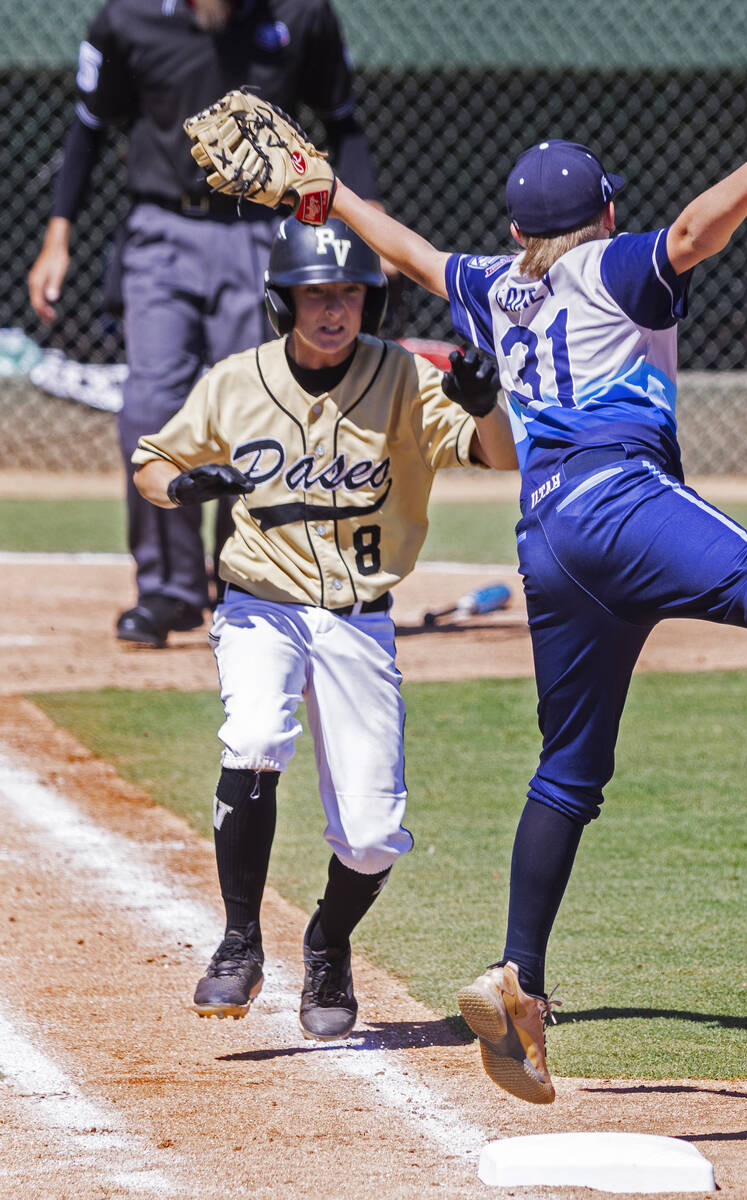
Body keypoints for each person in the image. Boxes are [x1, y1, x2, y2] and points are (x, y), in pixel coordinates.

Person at [184, 103, 747, 1097]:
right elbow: (687, 236)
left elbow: (412, 252)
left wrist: (328, 191)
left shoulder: (492, 284)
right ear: (602, 216)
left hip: (546, 540)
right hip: (622, 497)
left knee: (566, 771)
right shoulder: (607, 265)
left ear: (516, 231)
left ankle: (519, 985)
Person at [131, 215, 517, 1038]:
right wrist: (186, 486)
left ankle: (327, 941)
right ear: (284, 301)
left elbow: (501, 456)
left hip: (359, 620)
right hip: (259, 603)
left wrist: (486, 405)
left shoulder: (406, 379)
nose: (333, 309)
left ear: (368, 303)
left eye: (348, 293)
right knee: (256, 735)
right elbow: (151, 463)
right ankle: (238, 943)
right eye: (315, 294)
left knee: (374, 837)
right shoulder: (237, 380)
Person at [28, 0, 388, 648]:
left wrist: (372, 230)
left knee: (256, 411)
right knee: (148, 408)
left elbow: (343, 122)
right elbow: (89, 125)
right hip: (160, 230)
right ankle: (167, 590)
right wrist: (59, 237)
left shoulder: (299, 16)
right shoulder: (128, 18)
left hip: (262, 233)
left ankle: (239, 579)